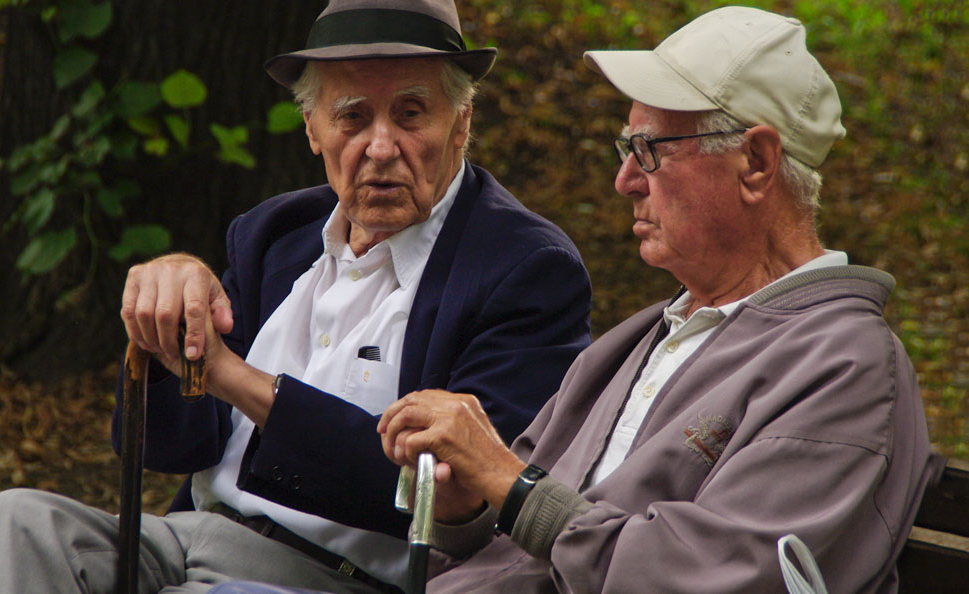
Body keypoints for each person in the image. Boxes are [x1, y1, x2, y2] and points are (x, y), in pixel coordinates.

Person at [212, 6, 934, 594]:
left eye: (650, 151)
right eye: (626, 150)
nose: (625, 180)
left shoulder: (844, 365)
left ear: (755, 162)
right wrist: (466, 496)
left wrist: (507, 481)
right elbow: (494, 527)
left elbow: (704, 579)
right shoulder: (652, 334)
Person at [0, 1, 592, 593]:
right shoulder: (274, 233)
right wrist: (167, 317)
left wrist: (232, 376)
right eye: (353, 117)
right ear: (313, 129)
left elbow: (460, 493)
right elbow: (166, 443)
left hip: (339, 576)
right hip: (181, 539)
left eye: (412, 114)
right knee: (1, 531)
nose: (381, 146)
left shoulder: (524, 268)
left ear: (461, 124)